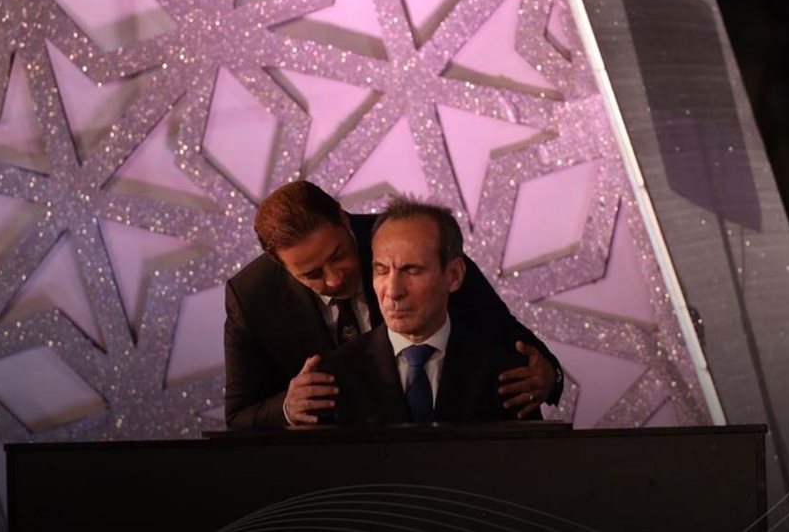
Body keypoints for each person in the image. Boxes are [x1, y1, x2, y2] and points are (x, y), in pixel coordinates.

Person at [224, 181, 562, 428]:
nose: (334, 280)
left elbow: (507, 336)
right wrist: (287, 408)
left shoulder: (408, 241)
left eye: (338, 255)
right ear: (281, 266)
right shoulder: (250, 296)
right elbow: (239, 415)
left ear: (344, 219)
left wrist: (550, 375)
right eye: (312, 274)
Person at [317, 198, 539, 423]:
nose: (393, 291)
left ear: (454, 275)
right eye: (382, 270)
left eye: (412, 270)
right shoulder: (333, 378)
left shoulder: (506, 371)